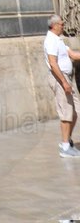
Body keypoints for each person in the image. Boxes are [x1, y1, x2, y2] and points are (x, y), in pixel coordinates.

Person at [44, 14, 80, 157]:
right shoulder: (51, 41)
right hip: (60, 79)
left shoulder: (58, 40)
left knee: (75, 111)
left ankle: (67, 140)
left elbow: (73, 55)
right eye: (61, 24)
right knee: (66, 112)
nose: (63, 26)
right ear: (54, 25)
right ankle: (65, 147)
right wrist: (64, 82)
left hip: (65, 79)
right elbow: (53, 63)